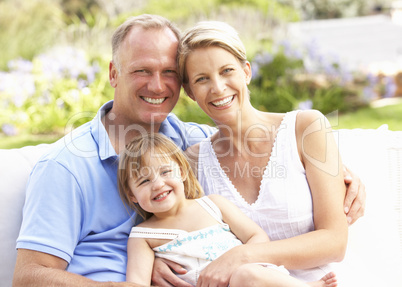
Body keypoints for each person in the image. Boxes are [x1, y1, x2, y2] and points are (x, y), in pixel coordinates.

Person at [12, 14, 364, 286]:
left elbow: (264, 142)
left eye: (168, 72)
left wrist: (341, 173)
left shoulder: (186, 143)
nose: (157, 85)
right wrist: (142, 275)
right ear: (114, 73)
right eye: (141, 71)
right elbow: (28, 277)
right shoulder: (66, 167)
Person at [152, 20, 349, 287]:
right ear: (190, 92)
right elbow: (173, 227)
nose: (218, 87)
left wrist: (243, 256)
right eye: (202, 79)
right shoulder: (193, 162)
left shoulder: (306, 128)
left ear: (246, 71)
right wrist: (157, 261)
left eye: (227, 71)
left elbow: (334, 242)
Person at [118, 133, 338, 287]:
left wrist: (236, 259)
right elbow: (136, 283)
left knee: (245, 275)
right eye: (144, 180)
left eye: (165, 172)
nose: (157, 184)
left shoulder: (212, 204)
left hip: (255, 281)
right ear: (132, 196)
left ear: (183, 172)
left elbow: (257, 237)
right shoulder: (143, 236)